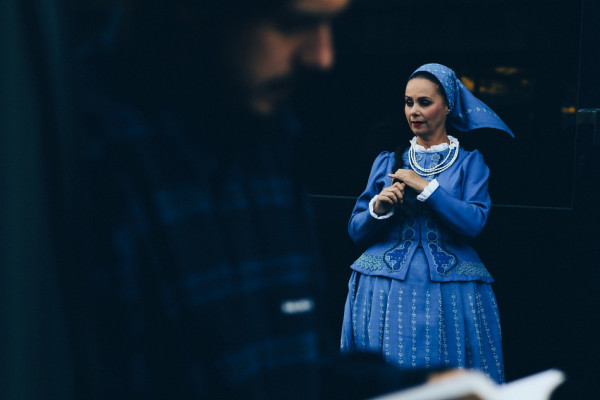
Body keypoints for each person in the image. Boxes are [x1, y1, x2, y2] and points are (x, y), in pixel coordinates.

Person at [66, 1, 447, 399]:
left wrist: (416, 390)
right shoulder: (81, 147)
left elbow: (288, 367)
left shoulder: (268, 135)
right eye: (291, 24)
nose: (322, 57)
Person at [340, 63, 514, 384]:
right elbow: (356, 230)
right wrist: (378, 208)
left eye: (424, 102)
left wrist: (428, 189)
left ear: (447, 106)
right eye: (409, 102)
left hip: (450, 292)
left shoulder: (470, 163)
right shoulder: (387, 160)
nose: (414, 111)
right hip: (383, 287)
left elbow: (474, 223)